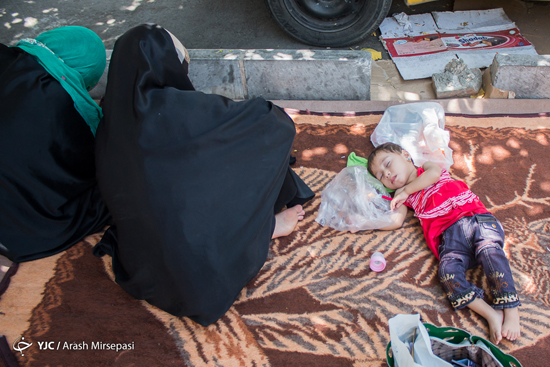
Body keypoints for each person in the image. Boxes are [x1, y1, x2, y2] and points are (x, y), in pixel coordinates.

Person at [92, 24, 314, 326]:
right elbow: (273, 123)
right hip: (203, 277)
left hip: (145, 269)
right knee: (258, 140)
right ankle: (264, 230)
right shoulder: (180, 110)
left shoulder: (105, 127)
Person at [367, 142, 521, 345]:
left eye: (388, 164)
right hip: (450, 240)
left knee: (490, 252)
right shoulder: (402, 197)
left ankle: (511, 310)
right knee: (447, 274)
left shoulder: (427, 167)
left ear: (405, 155)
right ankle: (491, 314)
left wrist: (406, 190)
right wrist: (361, 223)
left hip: (475, 219)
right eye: (380, 175)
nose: (386, 174)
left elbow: (433, 176)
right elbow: (395, 221)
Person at [0, 26, 111, 262]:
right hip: (16, 229)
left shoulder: (8, 57)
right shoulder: (71, 111)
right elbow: (88, 171)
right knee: (111, 190)